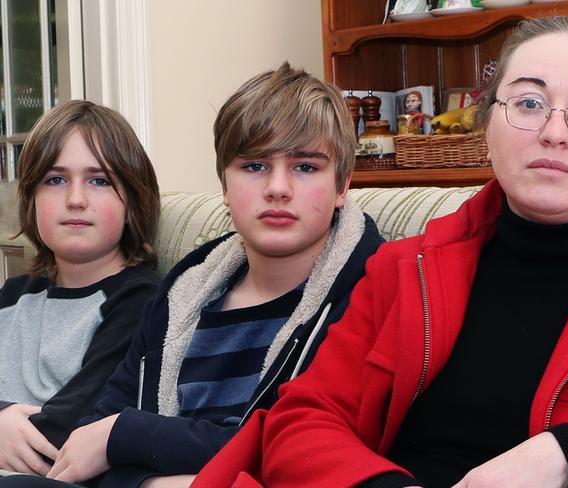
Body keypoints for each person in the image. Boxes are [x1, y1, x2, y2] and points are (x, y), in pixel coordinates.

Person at [193, 15, 568, 487]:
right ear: (486, 131)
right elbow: (303, 418)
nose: (556, 131)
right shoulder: (404, 268)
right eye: (529, 103)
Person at [9, 62, 383, 488]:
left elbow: (305, 448)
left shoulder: (372, 291)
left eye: (305, 167)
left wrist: (131, 437)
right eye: (255, 166)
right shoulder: (182, 295)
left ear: (343, 185)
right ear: (224, 184)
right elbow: (90, 439)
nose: (278, 188)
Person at [0, 101, 161, 477]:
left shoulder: (140, 302)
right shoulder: (13, 295)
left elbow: (65, 433)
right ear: (31, 197)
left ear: (133, 200)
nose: (75, 199)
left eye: (99, 180)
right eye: (55, 180)